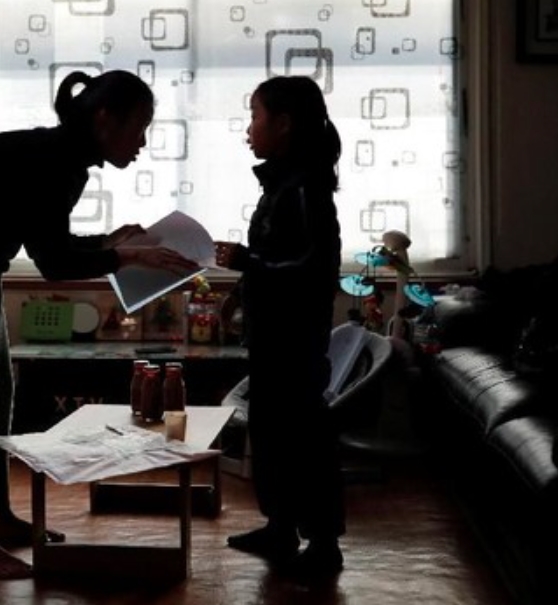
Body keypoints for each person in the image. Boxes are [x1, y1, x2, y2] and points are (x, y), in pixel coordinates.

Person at [0, 69, 199, 580]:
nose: (143, 143)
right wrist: (123, 255)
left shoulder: (62, 157)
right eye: (139, 128)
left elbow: (51, 244)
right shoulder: (56, 161)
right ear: (104, 119)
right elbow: (55, 263)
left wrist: (112, 243)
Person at [214, 75, 345, 582]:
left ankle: (324, 545)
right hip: (270, 336)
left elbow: (313, 267)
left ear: (284, 124)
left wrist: (247, 262)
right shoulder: (281, 184)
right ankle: (280, 527)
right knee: (270, 434)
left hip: (296, 339)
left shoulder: (307, 187)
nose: (249, 129)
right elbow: (275, 257)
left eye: (256, 117)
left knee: (303, 439)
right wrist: (240, 287)